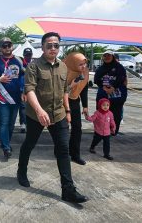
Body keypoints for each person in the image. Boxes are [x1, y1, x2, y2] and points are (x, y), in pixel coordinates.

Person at [17, 32, 88, 204]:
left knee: (63, 149)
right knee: (29, 144)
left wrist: (68, 111)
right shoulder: (34, 66)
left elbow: (65, 91)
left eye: (56, 45)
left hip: (59, 114)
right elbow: (30, 90)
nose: (53, 48)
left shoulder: (63, 67)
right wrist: (40, 111)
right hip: (36, 115)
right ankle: (21, 171)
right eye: (49, 45)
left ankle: (68, 190)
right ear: (42, 47)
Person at [0, 37, 24, 160]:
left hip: (15, 98)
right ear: (0, 48)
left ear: (12, 46)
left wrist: (23, 91)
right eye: (4, 46)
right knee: (3, 123)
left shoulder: (19, 60)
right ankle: (6, 147)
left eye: (9, 45)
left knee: (11, 124)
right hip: (1, 97)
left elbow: (23, 77)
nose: (7, 47)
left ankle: (6, 142)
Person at [63, 52, 89, 165]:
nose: (83, 67)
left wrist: (85, 106)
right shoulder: (63, 71)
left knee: (77, 129)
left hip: (74, 102)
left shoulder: (85, 72)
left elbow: (84, 89)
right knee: (62, 129)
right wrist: (71, 85)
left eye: (85, 64)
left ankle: (75, 154)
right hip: (62, 102)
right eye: (80, 64)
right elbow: (59, 91)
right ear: (73, 64)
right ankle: (61, 153)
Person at [94, 50, 127, 136]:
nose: (107, 57)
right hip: (103, 93)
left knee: (116, 113)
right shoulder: (100, 68)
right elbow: (96, 80)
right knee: (101, 112)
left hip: (117, 95)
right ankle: (101, 130)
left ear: (113, 57)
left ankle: (113, 130)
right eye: (105, 56)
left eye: (109, 55)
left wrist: (113, 87)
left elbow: (122, 78)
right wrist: (104, 87)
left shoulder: (119, 67)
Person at [18, 48, 34, 133]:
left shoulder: (34, 64)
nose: (28, 56)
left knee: (30, 108)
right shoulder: (20, 64)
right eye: (27, 55)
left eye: (30, 54)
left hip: (31, 89)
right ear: (24, 55)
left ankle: (28, 124)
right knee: (23, 107)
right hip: (21, 89)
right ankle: (23, 124)